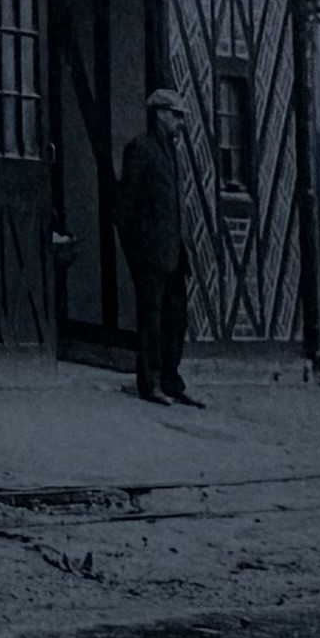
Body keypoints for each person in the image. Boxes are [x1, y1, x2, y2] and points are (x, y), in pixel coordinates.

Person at [115, 82, 212, 405]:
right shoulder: (140, 149)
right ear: (160, 115)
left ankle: (172, 380)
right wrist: (138, 251)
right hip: (151, 254)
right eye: (177, 115)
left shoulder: (172, 153)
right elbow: (126, 207)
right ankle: (150, 382)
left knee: (176, 319)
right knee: (151, 320)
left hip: (174, 253)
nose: (181, 123)